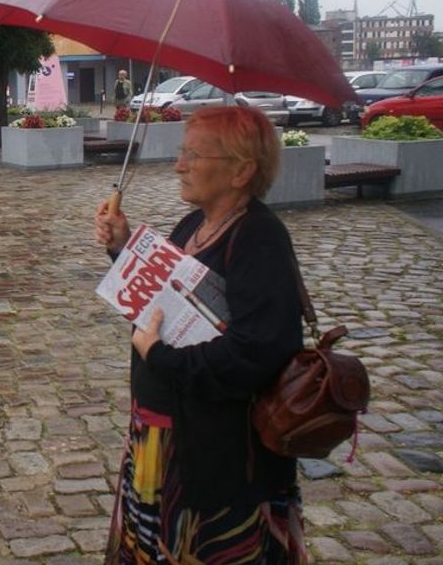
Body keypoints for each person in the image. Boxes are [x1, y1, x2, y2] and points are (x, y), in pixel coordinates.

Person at [93, 106, 306, 564]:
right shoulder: (194, 224)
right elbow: (167, 304)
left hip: (216, 456)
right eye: (180, 152)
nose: (179, 165)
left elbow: (254, 354)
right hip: (162, 436)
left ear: (242, 170)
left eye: (193, 154)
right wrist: (122, 248)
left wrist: (161, 357)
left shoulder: (260, 241)